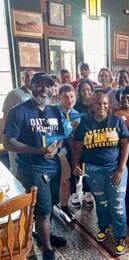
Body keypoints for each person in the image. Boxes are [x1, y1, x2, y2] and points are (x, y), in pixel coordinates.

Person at [3, 72, 66, 260]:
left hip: (54, 166)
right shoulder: (19, 111)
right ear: (31, 86)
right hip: (32, 169)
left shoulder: (55, 111)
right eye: (40, 85)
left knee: (50, 206)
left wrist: (56, 149)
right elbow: (8, 143)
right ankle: (47, 248)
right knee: (43, 209)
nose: (44, 89)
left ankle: (46, 235)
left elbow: (61, 139)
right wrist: (39, 150)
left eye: (48, 86)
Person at [73, 90, 129, 255]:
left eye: (105, 103)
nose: (101, 106)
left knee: (117, 204)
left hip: (115, 169)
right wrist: (75, 164)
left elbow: (125, 144)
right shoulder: (85, 123)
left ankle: (120, 236)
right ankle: (103, 226)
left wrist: (121, 168)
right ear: (92, 104)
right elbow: (78, 147)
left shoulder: (117, 121)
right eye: (98, 103)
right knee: (102, 202)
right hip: (93, 170)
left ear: (109, 104)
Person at [2, 68, 35, 176]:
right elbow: (6, 114)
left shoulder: (38, 94)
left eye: (32, 76)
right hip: (15, 136)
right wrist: (6, 134)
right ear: (22, 78)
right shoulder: (14, 94)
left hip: (31, 138)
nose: (30, 78)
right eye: (27, 76)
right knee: (15, 167)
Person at [56, 84, 80, 223]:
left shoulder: (77, 114)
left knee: (66, 180)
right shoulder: (52, 111)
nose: (69, 99)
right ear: (59, 98)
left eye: (72, 96)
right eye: (65, 97)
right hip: (52, 150)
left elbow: (76, 136)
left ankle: (64, 206)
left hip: (68, 151)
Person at [73, 79, 95, 207]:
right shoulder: (76, 106)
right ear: (79, 92)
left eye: (88, 89)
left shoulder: (95, 105)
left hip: (92, 141)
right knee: (77, 166)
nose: (86, 92)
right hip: (78, 140)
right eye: (83, 90)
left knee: (88, 167)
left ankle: (88, 191)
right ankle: (76, 192)